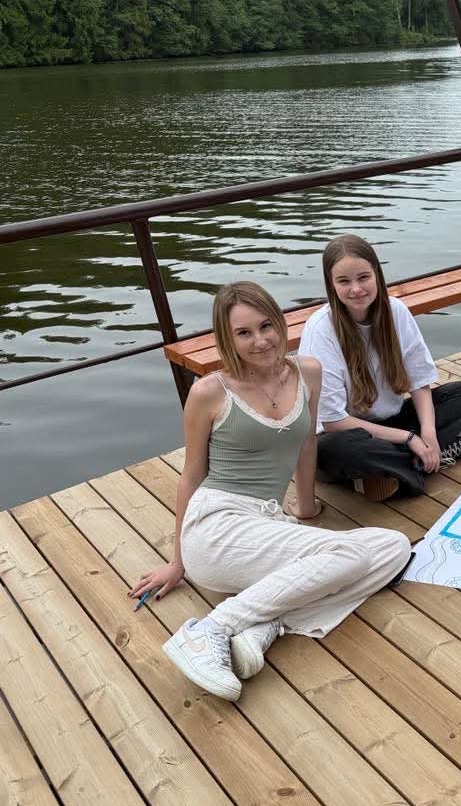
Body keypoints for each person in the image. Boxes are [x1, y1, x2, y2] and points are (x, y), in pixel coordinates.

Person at [130, 281, 412, 702]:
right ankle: (210, 629)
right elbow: (191, 476)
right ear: (227, 338)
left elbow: (307, 444)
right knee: (350, 555)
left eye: (266, 326)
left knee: (393, 547)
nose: (260, 340)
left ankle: (266, 625)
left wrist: (307, 508)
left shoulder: (308, 372)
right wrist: (178, 561)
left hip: (267, 522)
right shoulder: (210, 391)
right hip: (216, 525)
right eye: (243, 333)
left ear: (280, 323)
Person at [298, 234, 461, 501]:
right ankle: (418, 466)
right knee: (343, 449)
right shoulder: (321, 330)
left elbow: (419, 381)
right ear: (331, 284)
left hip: (389, 424)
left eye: (363, 277)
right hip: (342, 434)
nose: (356, 289)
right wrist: (410, 439)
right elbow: (333, 421)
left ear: (377, 274)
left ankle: (396, 468)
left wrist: (428, 433)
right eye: (344, 281)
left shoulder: (396, 311)